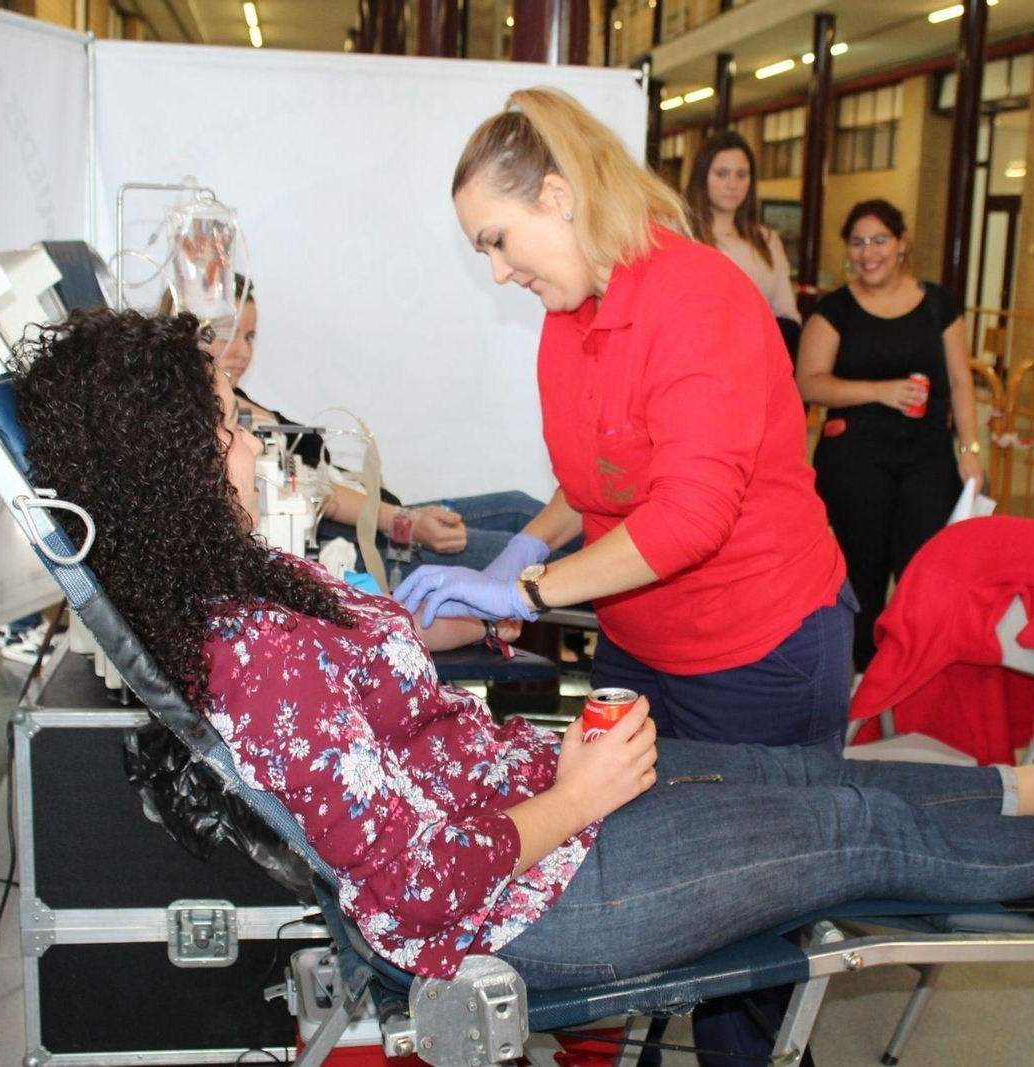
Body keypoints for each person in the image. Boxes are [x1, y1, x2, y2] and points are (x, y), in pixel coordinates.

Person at [10, 305, 1034, 1005]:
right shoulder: (250, 653)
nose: (250, 439)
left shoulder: (246, 577)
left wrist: (467, 612)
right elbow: (410, 884)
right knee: (847, 833)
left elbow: (376, 680)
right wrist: (576, 796)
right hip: (527, 898)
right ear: (171, 463)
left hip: (520, 797)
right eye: (226, 424)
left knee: (809, 776)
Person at [398, 88, 854, 755]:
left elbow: (691, 516)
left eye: (498, 241)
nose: (497, 273)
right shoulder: (570, 315)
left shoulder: (696, 297)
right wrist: (522, 550)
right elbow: (599, 478)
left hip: (755, 653)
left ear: (557, 196)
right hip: (637, 645)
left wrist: (525, 593)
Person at [164, 275, 552, 577]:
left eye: (249, 337)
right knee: (525, 555)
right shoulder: (210, 420)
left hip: (370, 520)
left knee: (518, 509)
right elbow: (316, 491)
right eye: (227, 334)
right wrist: (403, 523)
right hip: (343, 542)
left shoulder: (239, 403)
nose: (243, 351)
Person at [797, 199, 986, 672]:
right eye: (857, 242)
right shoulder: (834, 310)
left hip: (928, 456)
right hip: (855, 458)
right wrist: (879, 391)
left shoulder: (939, 305)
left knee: (925, 569)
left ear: (902, 244)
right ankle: (862, 677)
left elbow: (960, 380)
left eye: (879, 240)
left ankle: (915, 672)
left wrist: (970, 448)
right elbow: (808, 383)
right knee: (863, 571)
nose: (868, 252)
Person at [684, 131, 801, 358]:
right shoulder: (681, 234)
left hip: (757, 360)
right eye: (722, 174)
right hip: (697, 357)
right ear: (702, 177)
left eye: (742, 174)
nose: (733, 184)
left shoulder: (767, 240)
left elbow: (787, 317)